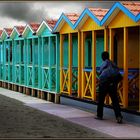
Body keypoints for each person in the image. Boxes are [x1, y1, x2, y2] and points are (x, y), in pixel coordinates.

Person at [95, 51, 123, 124]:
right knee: (115, 101)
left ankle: (99, 115)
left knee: (101, 100)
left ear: (103, 57)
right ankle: (118, 116)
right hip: (112, 85)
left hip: (104, 84)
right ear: (108, 56)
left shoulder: (103, 64)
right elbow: (118, 72)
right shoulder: (113, 63)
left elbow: (101, 75)